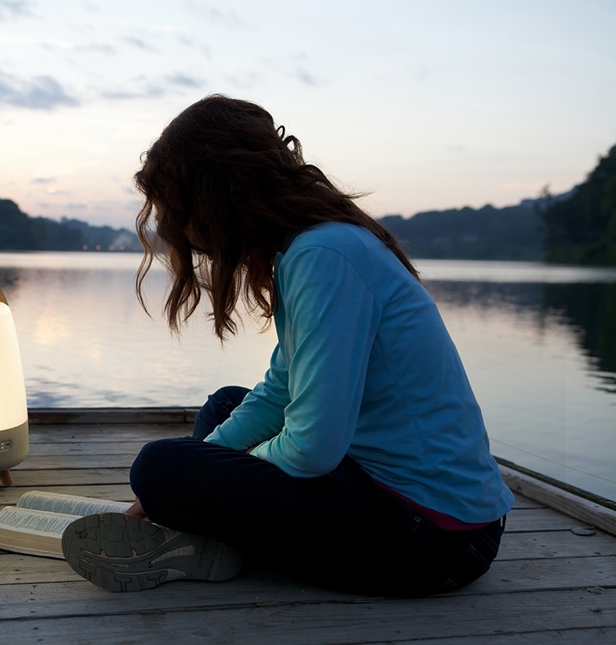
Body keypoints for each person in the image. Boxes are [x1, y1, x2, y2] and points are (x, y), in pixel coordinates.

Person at [61, 95, 514, 596]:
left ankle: (214, 534)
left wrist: (198, 483)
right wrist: (208, 467)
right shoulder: (310, 248)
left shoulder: (325, 254)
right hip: (393, 496)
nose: (182, 232)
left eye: (180, 212)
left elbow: (313, 448)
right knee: (225, 406)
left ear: (213, 198)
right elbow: (281, 389)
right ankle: (213, 535)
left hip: (435, 536)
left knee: (160, 468)